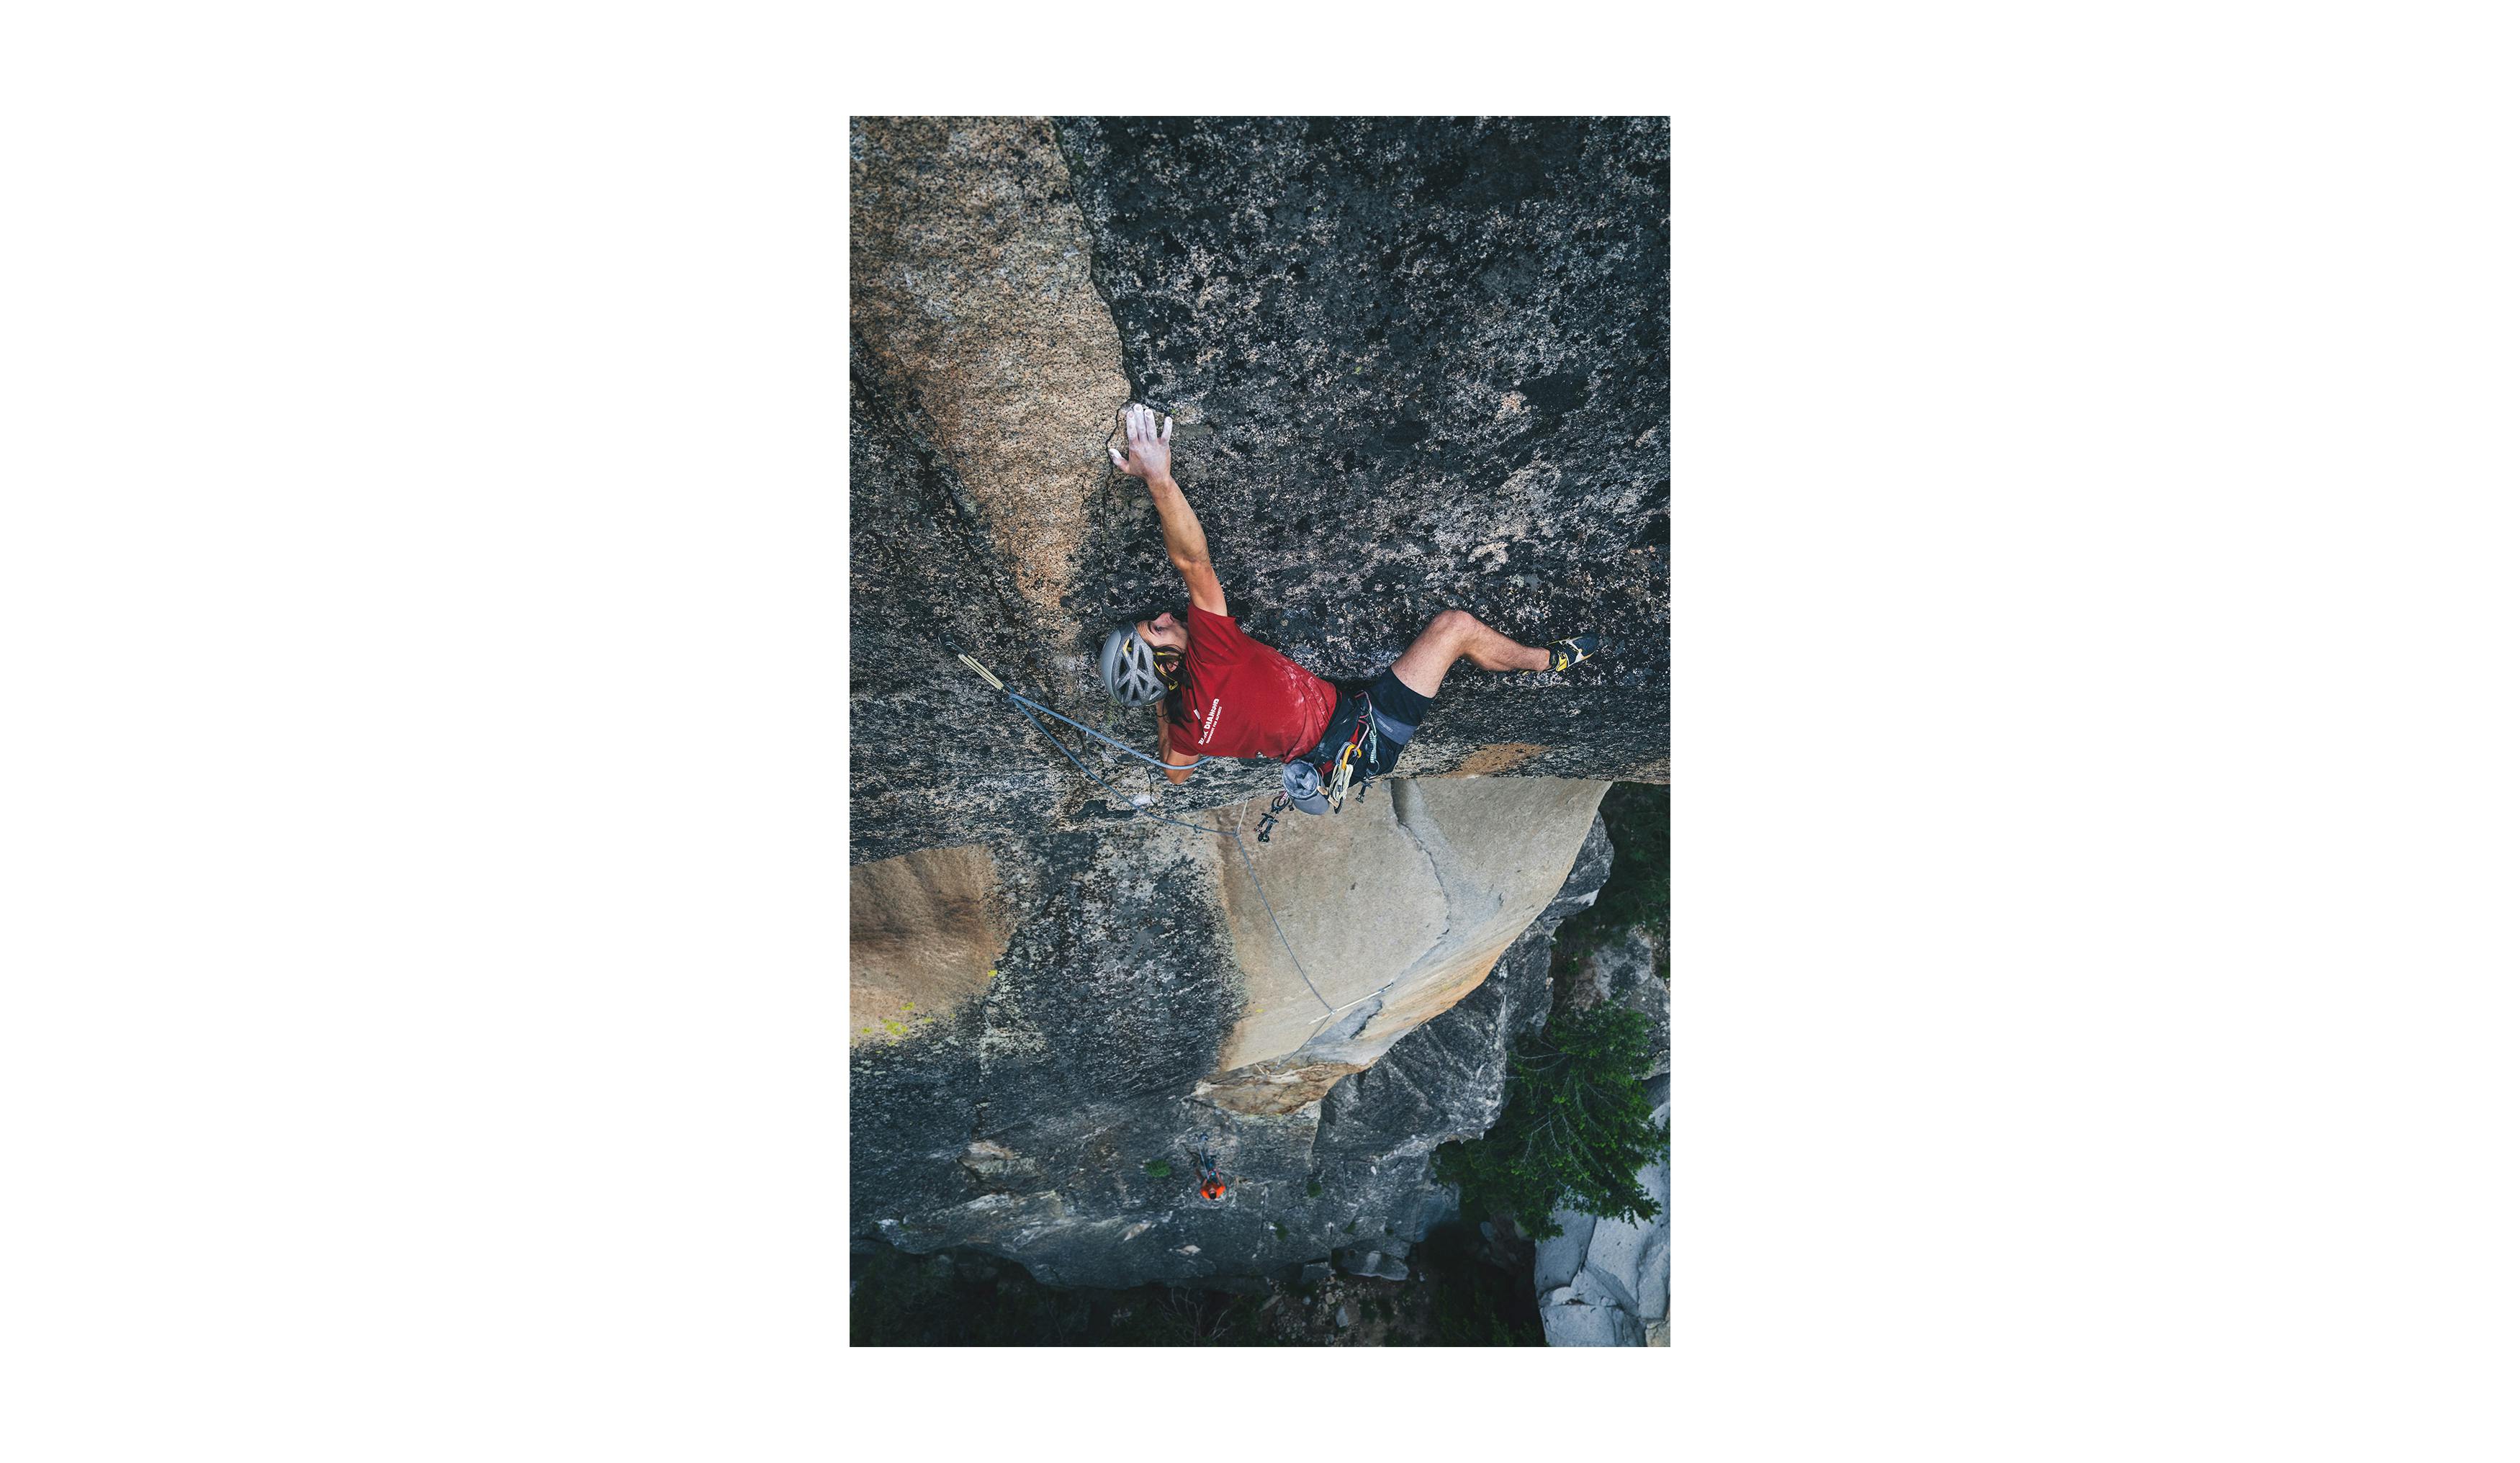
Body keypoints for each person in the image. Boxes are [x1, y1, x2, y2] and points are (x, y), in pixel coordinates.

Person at [1097, 402, 1603, 816]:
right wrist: (1158, 479)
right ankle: (1545, 660)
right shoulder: (1213, 658)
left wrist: (1165, 705)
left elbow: (1175, 771)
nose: (1166, 617)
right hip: (1372, 731)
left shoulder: (1186, 726)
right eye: (1156, 631)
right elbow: (1192, 561)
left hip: (1333, 743)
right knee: (1456, 628)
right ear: (1166, 665)